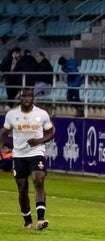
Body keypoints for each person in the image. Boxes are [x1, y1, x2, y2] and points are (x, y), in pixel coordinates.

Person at [0, 88, 55, 230]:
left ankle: (41, 219)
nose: (27, 98)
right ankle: (27, 221)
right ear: (20, 98)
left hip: (36, 152)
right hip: (19, 155)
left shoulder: (42, 114)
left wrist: (39, 141)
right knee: (22, 188)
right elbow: (5, 132)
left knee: (38, 180)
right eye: (24, 96)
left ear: (33, 98)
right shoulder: (12, 115)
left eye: (29, 96)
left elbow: (50, 132)